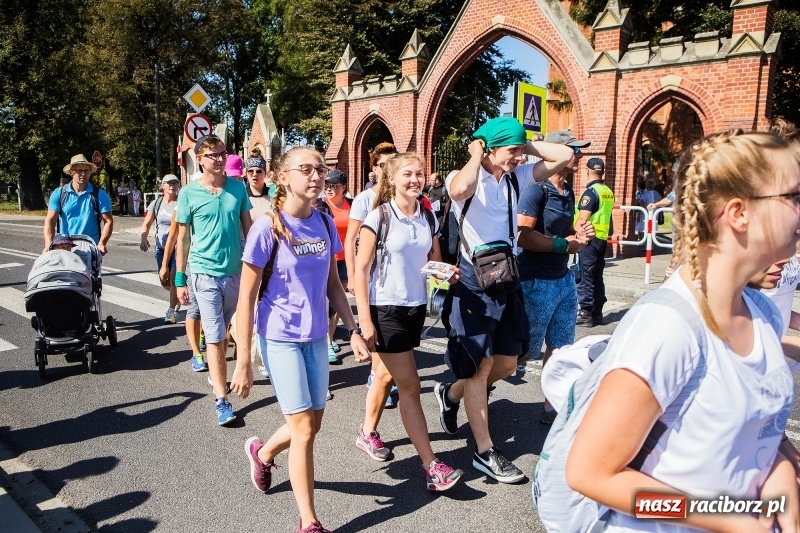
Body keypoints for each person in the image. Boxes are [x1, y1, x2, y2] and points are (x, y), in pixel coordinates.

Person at [564, 130, 800, 532]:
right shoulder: (668, 327)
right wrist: (723, 518)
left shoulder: (763, 312)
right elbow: (591, 475)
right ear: (739, 212)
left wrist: (783, 474)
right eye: (793, 196)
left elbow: (760, 432)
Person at [232, 147, 370, 533]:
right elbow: (245, 297)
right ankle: (309, 520)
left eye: (320, 170)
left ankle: (263, 452)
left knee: (312, 423)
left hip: (315, 339)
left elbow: (333, 285)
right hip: (279, 337)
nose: (315, 176)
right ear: (282, 176)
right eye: (305, 169)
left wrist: (353, 329)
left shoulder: (325, 223)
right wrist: (243, 359)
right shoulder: (267, 227)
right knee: (305, 429)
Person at [433, 116, 573, 483]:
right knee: (481, 364)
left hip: (505, 278)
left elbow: (563, 155)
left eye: (518, 151)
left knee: (510, 363)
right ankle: (484, 452)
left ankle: (450, 393)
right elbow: (460, 190)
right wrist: (477, 152)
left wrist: (523, 146)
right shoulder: (464, 174)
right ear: (489, 147)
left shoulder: (518, 176)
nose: (517, 158)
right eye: (510, 150)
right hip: (473, 282)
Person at [351, 151, 464, 490]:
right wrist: (365, 322)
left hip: (414, 307)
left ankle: (366, 432)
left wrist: (447, 274)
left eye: (419, 173)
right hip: (385, 309)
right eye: (407, 174)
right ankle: (432, 467)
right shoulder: (380, 217)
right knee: (410, 386)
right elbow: (360, 269)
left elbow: (434, 261)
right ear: (392, 178)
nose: (415, 179)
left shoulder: (427, 218)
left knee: (384, 375)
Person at [516, 130, 595, 425]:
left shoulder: (568, 189)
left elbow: (563, 232)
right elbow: (523, 235)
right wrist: (565, 244)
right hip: (535, 280)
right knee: (523, 353)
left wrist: (579, 234)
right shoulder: (536, 188)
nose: (580, 155)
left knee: (560, 348)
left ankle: (551, 406)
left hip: (563, 278)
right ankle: (476, 386)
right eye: (576, 149)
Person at [175, 135, 253, 426]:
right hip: (203, 273)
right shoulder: (188, 194)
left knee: (231, 330)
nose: (219, 159)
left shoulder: (237, 188)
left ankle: (218, 369)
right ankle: (222, 399)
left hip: (235, 273)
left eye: (222, 153)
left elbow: (249, 229)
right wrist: (180, 280)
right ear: (200, 160)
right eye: (213, 155)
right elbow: (183, 239)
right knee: (216, 333)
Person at [344, 142, 401, 408]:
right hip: (369, 274)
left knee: (386, 329)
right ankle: (375, 377)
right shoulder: (365, 199)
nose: (387, 170)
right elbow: (351, 238)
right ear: (374, 168)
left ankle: (381, 377)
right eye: (382, 165)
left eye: (392, 164)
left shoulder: (400, 197)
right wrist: (353, 274)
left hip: (392, 275)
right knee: (374, 327)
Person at [160, 208, 207, 372]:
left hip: (215, 263)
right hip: (192, 262)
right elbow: (173, 237)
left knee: (213, 308)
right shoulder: (183, 203)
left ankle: (203, 333)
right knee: (195, 308)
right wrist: (165, 264)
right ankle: (196, 353)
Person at [44, 154, 113, 255]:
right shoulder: (59, 193)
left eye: (86, 171)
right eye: (79, 170)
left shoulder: (99, 195)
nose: (83, 174)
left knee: (88, 271)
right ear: (71, 172)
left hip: (89, 246)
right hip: (65, 246)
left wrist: (102, 243)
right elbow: (50, 220)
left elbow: (108, 221)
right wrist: (48, 244)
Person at [574, 157, 615, 327]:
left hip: (589, 239)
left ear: (588, 170)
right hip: (602, 239)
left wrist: (576, 234)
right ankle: (597, 312)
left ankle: (586, 312)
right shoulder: (607, 191)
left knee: (585, 275)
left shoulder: (590, 192)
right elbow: (609, 218)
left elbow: (583, 219)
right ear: (602, 171)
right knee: (597, 275)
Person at [140, 174, 180, 324]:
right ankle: (177, 296)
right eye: (169, 183)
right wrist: (144, 237)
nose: (172, 186)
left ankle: (171, 312)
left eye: (175, 183)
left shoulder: (180, 203)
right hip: (161, 246)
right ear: (162, 186)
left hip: (177, 247)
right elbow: (147, 223)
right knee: (164, 280)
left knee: (175, 278)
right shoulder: (156, 204)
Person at [322, 170, 352, 363]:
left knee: (337, 302)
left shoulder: (352, 204)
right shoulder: (320, 205)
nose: (330, 189)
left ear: (344, 187)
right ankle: (325, 341)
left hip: (344, 259)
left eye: (334, 185)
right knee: (324, 301)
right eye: (328, 186)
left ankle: (330, 338)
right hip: (326, 258)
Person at [245, 150, 272, 220]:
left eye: (259, 171)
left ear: (265, 174)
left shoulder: (273, 195)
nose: (254, 174)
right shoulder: (242, 195)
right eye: (250, 171)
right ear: (246, 174)